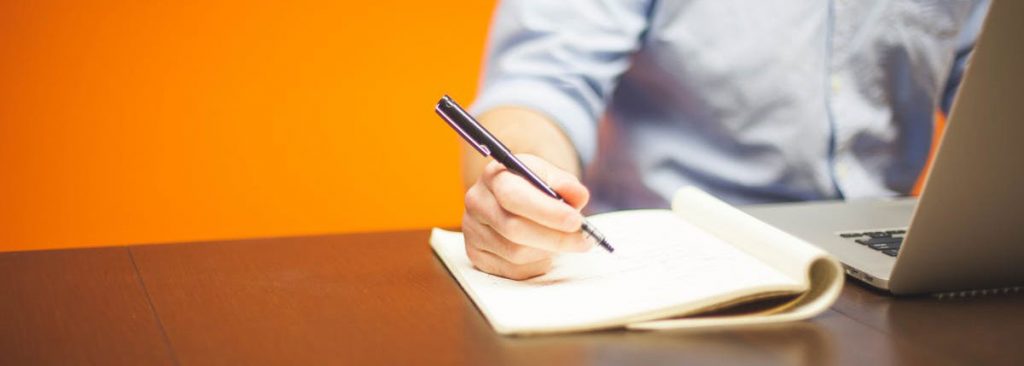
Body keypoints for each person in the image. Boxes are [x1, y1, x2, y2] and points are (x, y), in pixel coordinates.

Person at [460, 1, 990, 280]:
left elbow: (993, 82)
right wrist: (525, 181)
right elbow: (542, 82)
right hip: (675, 273)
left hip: (896, 272)